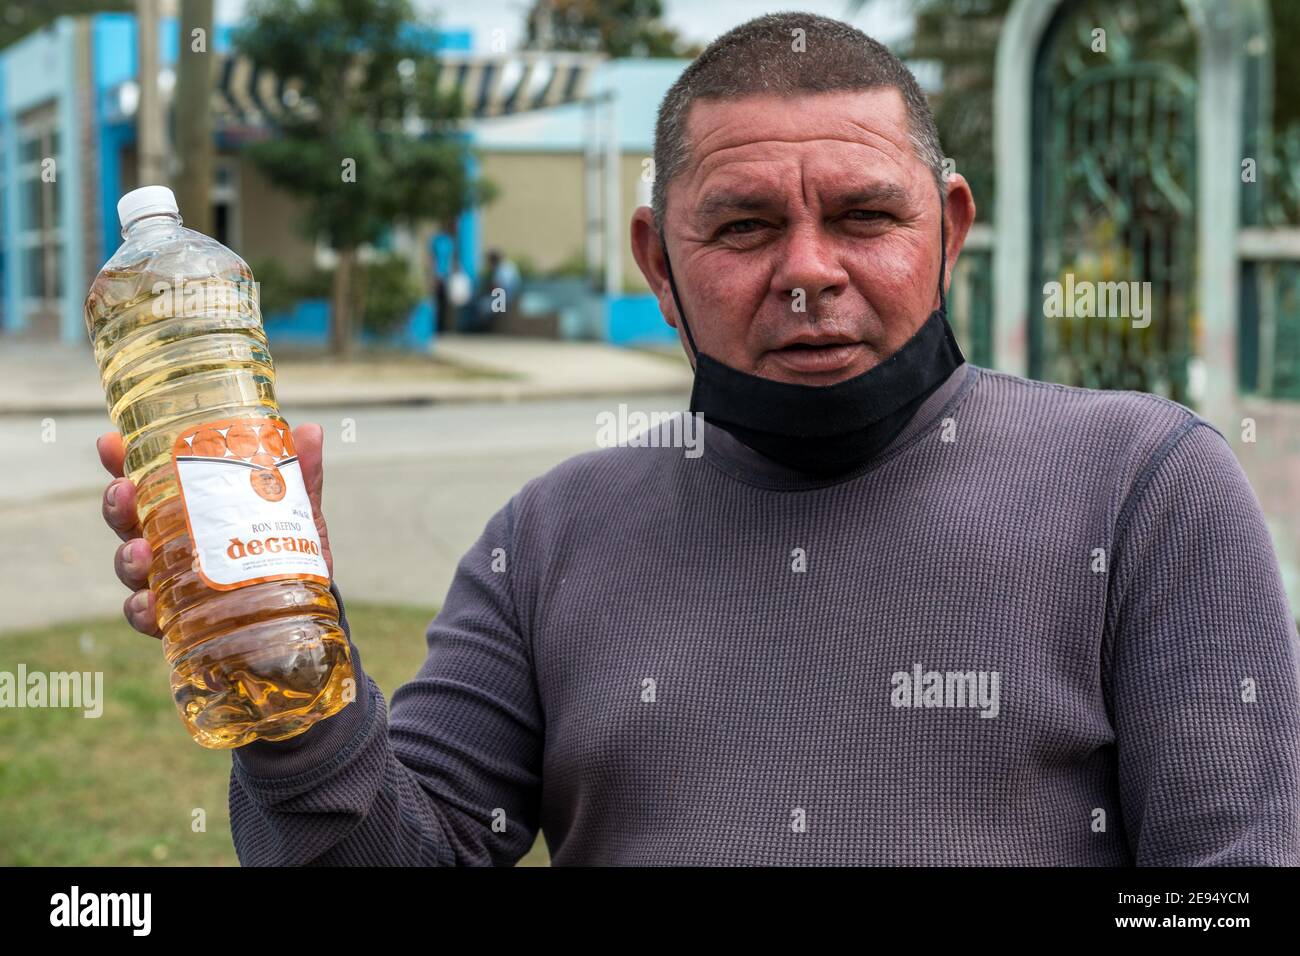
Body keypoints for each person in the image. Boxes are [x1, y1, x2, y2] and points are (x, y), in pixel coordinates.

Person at [96, 13, 1299, 865]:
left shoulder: (1145, 491)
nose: (807, 272)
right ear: (656, 263)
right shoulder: (549, 538)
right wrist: (289, 674)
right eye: (744, 225)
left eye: (866, 215)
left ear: (950, 228)